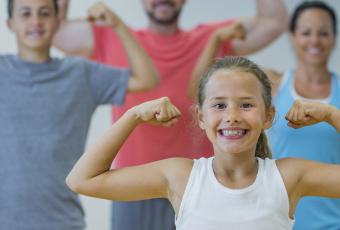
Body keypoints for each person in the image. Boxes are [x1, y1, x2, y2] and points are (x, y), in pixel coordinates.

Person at [54, 1, 288, 229]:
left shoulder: (213, 36)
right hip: (133, 184)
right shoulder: (110, 34)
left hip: (201, 187)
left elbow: (273, 21)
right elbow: (48, 27)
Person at [66, 56, 340, 230]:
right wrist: (132, 116)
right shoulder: (181, 177)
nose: (231, 116)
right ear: (200, 117)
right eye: (219, 105)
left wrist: (331, 114)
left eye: (246, 105)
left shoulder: (288, 177)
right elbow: (82, 180)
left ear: (268, 116)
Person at [0, 0, 159, 230]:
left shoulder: (80, 73)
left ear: (57, 22)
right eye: (26, 14)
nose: (36, 21)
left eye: (44, 13)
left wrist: (117, 26)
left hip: (63, 222)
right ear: (10, 23)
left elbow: (147, 78)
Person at [190, 2, 340, 228]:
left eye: (324, 33)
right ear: (292, 36)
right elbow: (200, 91)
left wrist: (331, 114)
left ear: (334, 38)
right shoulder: (275, 84)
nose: (314, 40)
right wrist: (216, 41)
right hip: (271, 217)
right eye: (306, 32)